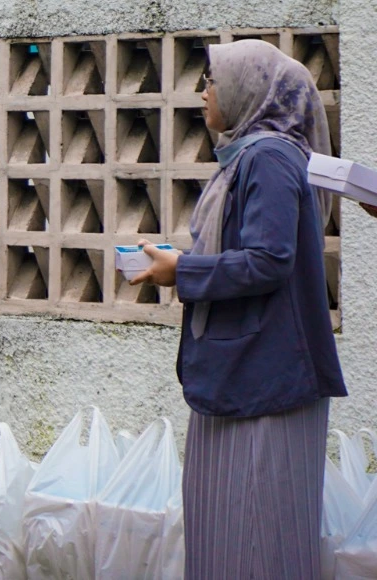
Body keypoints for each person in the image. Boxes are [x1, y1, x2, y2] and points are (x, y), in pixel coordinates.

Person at [131, 39, 346, 579]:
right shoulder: (245, 156)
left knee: (257, 545)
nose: (203, 92)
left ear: (250, 90)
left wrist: (183, 271)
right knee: (228, 540)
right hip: (243, 375)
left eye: (212, 80)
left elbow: (269, 260)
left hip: (266, 380)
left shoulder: (268, 157)